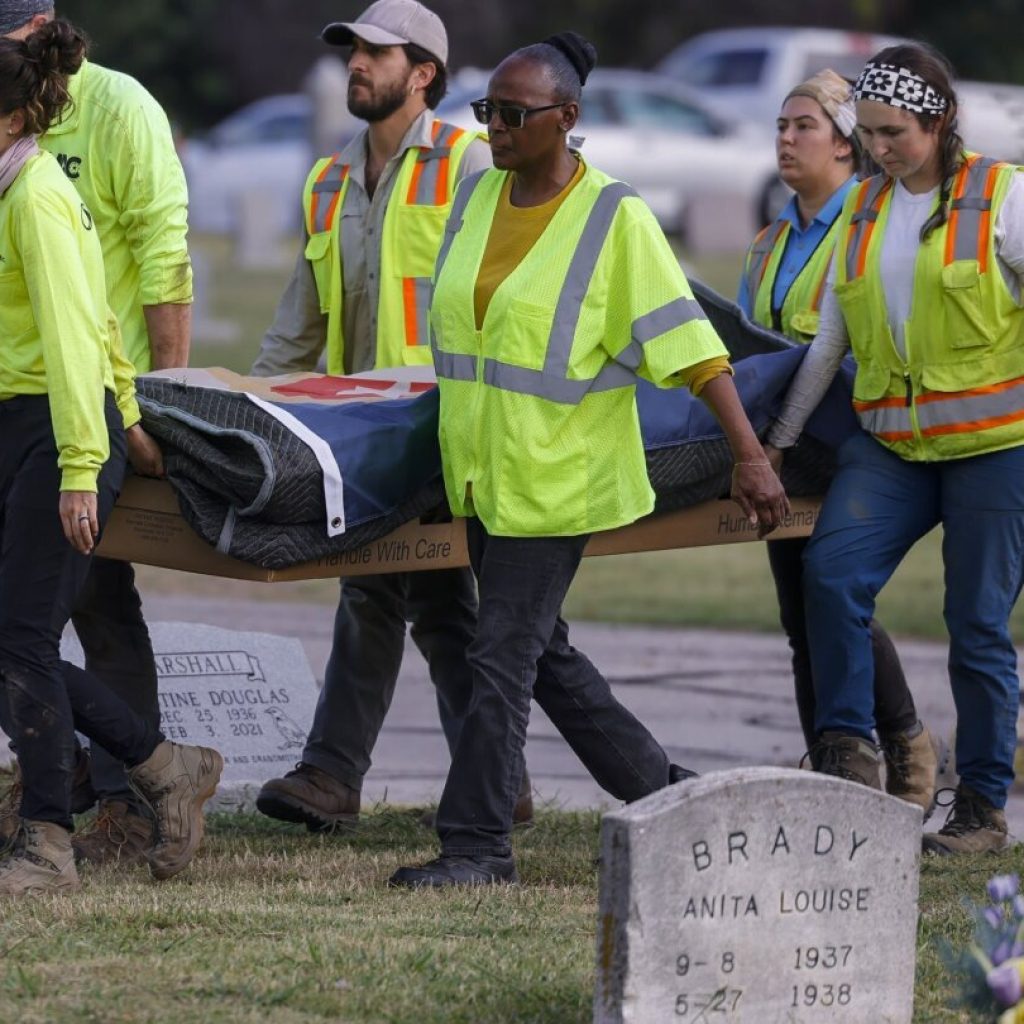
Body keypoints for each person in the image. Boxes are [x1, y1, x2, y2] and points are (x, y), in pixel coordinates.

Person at [389, 32, 789, 888]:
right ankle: (663, 793)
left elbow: (691, 346)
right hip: (483, 474)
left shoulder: (616, 217)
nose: (492, 127)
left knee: (501, 658)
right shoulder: (475, 199)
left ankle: (477, 847)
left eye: (512, 114)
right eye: (486, 111)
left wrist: (749, 458)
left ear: (567, 119)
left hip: (560, 481)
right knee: (544, 657)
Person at [251, 0, 535, 833]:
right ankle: (496, 779)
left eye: (376, 53)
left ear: (423, 75)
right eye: (351, 52)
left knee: (379, 588)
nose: (356, 65)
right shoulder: (328, 178)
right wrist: (252, 402)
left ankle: (334, 775)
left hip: (443, 421)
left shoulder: (472, 163)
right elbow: (300, 320)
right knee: (434, 602)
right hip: (364, 430)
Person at [764, 42, 1024, 855]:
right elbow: (831, 339)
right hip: (892, 448)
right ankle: (850, 765)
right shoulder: (865, 210)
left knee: (976, 625)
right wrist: (773, 444)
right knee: (831, 574)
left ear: (938, 120)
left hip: (993, 448)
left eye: (893, 132)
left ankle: (980, 808)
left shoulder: (1002, 197)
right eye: (868, 132)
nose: (878, 149)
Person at [0, 19, 221, 895]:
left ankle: (47, 841)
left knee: (21, 638)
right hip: (16, 421)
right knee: (12, 641)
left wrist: (85, 465)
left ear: (11, 114)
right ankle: (165, 767)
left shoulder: (38, 195)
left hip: (61, 430)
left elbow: (78, 339)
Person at [738, 69, 942, 817]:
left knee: (832, 597)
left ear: (846, 144)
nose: (786, 140)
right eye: (781, 127)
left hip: (854, 435)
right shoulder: (767, 240)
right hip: (784, 443)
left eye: (804, 127)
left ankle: (900, 745)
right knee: (803, 609)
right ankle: (838, 760)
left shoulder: (876, 220)